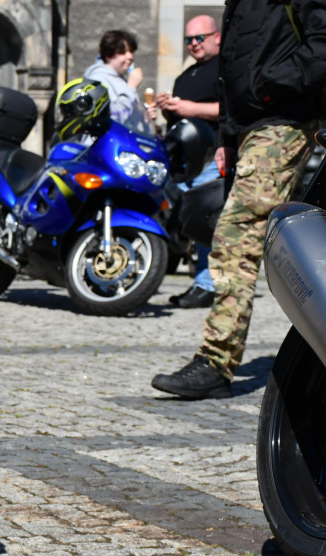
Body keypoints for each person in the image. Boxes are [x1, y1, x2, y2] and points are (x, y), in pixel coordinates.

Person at [152, 0, 326, 400]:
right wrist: (227, 139)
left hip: (282, 123)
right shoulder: (237, 4)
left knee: (235, 236)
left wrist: (273, 85)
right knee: (240, 238)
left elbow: (320, 44)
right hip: (247, 131)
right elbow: (231, 76)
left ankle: (215, 362)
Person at [156, 15, 222, 309]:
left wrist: (190, 108)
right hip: (184, 160)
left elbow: (231, 110)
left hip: (211, 157)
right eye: (188, 40)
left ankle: (207, 285)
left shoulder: (225, 69)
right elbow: (181, 117)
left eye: (199, 38)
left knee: (206, 222)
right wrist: (168, 109)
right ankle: (199, 278)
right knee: (185, 222)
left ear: (216, 37)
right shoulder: (186, 76)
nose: (193, 44)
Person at [82, 30, 156, 130]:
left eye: (131, 51)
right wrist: (131, 88)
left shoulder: (120, 79)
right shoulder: (97, 80)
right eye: (123, 52)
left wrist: (144, 116)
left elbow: (128, 118)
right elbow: (113, 117)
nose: (129, 56)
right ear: (108, 55)